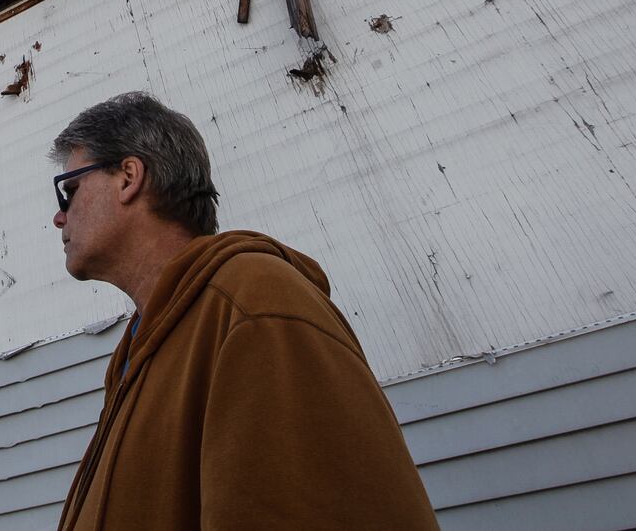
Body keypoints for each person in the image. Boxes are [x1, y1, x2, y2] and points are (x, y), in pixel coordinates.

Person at [50, 92, 440, 530]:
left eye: (71, 191)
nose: (59, 218)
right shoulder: (144, 351)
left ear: (128, 177)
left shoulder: (255, 304)